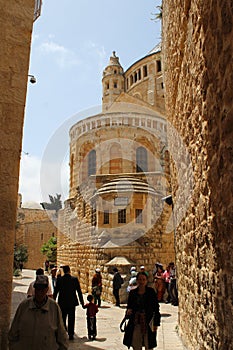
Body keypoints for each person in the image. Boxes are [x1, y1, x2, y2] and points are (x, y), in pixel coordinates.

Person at [8, 275, 68, 350]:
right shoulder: (24, 306)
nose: (39, 293)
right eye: (37, 290)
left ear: (47, 290)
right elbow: (13, 332)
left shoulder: (54, 307)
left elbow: (61, 335)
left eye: (42, 290)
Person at [124, 272, 161, 350]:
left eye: (143, 279)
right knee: (136, 345)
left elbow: (156, 308)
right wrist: (128, 312)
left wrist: (156, 323)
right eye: (140, 279)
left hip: (148, 322)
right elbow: (129, 307)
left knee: (149, 345)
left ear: (146, 281)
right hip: (136, 322)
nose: (141, 281)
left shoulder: (151, 292)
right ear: (137, 281)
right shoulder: (133, 293)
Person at [53, 265, 84, 340]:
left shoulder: (59, 280)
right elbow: (79, 292)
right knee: (71, 318)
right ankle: (71, 334)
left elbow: (56, 292)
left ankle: (63, 333)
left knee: (62, 318)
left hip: (62, 302)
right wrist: (82, 303)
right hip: (72, 302)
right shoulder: (74, 279)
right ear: (69, 270)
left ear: (63, 271)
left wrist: (52, 301)